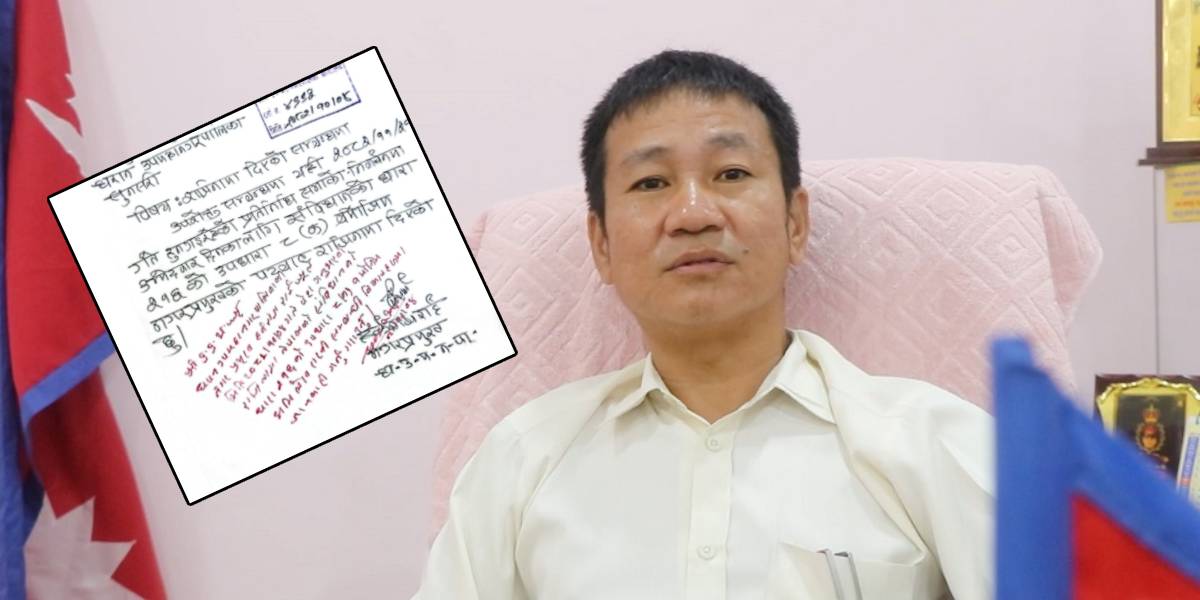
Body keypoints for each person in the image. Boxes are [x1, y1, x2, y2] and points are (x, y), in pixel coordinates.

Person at [413, 50, 993, 600]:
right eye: (651, 183)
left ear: (795, 223)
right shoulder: (522, 459)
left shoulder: (932, 440)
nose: (693, 215)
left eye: (731, 173)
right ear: (602, 245)